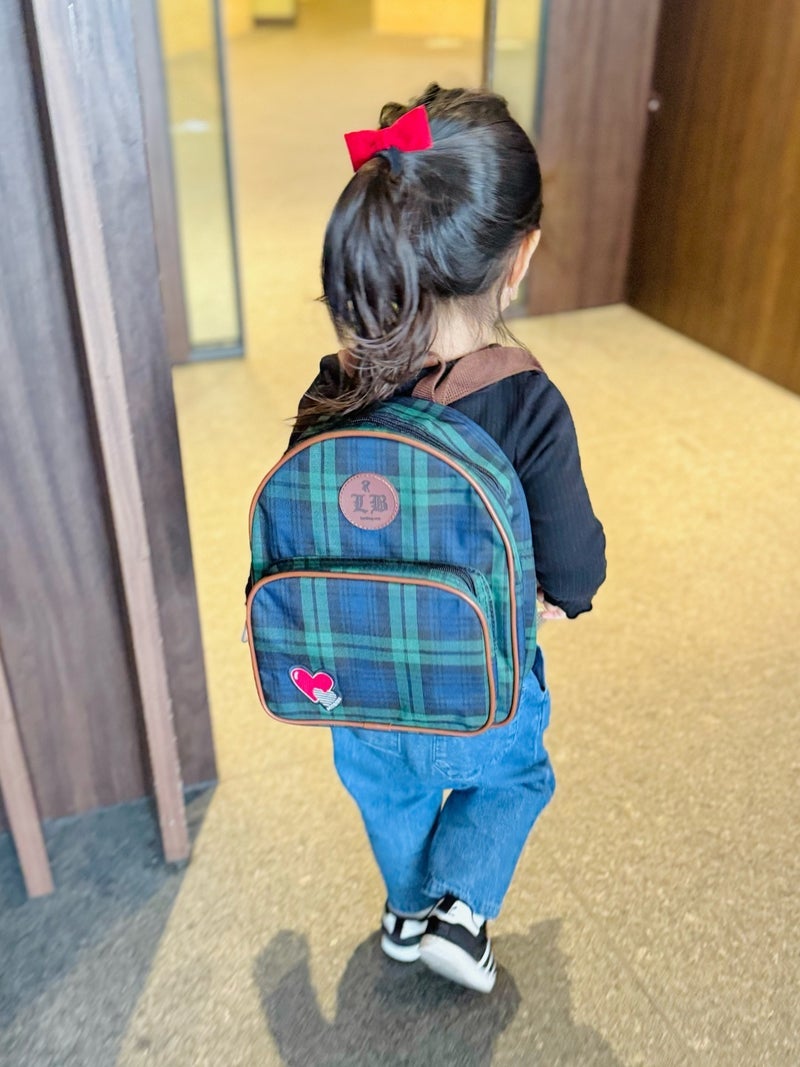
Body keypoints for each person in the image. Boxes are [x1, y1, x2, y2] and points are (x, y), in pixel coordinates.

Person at [291, 84, 606, 994]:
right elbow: (574, 562)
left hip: (357, 691)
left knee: (389, 797)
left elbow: (297, 525)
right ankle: (460, 912)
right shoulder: (527, 401)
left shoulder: (332, 386)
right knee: (513, 781)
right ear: (521, 257)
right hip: (483, 687)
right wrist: (565, 595)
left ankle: (404, 910)